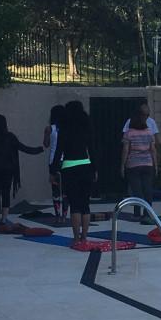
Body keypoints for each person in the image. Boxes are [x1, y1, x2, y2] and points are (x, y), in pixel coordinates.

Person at [0, 115, 44, 226]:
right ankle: (4, 219)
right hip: (8, 169)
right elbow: (23, 148)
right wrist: (38, 150)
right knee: (6, 193)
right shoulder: (10, 137)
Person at [53, 100, 95, 243]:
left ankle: (76, 237)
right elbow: (93, 150)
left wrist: (53, 170)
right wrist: (95, 168)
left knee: (75, 205)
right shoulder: (86, 128)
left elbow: (58, 152)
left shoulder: (64, 129)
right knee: (85, 204)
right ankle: (84, 236)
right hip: (85, 165)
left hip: (69, 168)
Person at [121, 107, 158, 222]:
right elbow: (153, 149)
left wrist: (122, 165)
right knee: (148, 189)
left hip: (133, 164)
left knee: (136, 190)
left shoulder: (129, 134)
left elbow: (126, 150)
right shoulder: (149, 133)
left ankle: (137, 213)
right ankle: (148, 213)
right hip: (148, 163)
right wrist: (155, 164)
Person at [43, 104, 65, 221]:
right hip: (66, 160)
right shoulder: (68, 128)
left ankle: (57, 214)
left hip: (53, 161)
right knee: (66, 189)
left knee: (55, 189)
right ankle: (65, 215)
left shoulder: (49, 129)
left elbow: (46, 144)